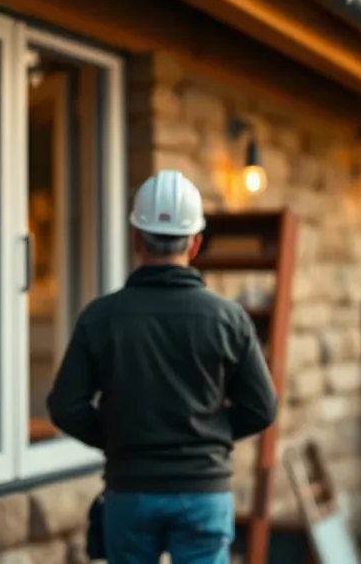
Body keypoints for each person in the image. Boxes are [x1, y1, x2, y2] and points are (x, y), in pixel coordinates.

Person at [47, 169, 278, 564]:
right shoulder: (229, 318)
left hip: (129, 491)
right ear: (196, 243)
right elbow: (262, 408)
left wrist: (119, 438)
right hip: (203, 492)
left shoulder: (101, 317)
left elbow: (65, 406)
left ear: (136, 239)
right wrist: (209, 436)